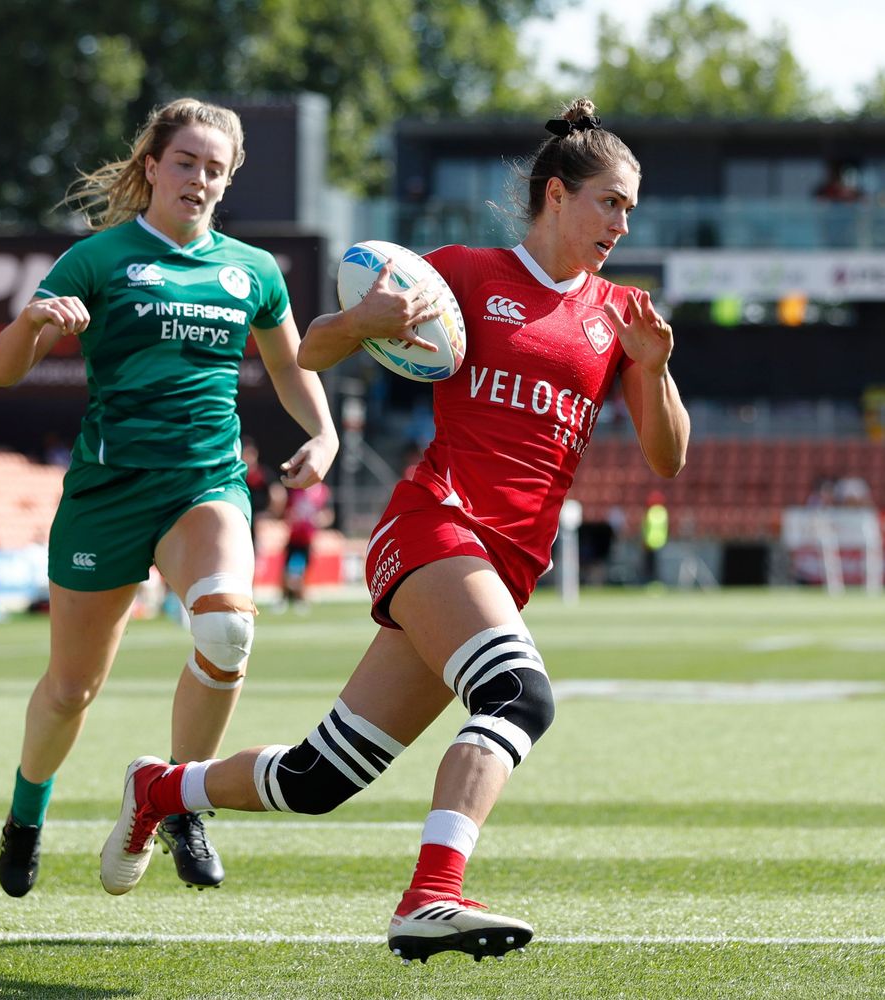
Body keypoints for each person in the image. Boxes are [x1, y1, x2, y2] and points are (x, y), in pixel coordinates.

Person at [100, 97, 688, 962]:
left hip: (506, 565)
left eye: (631, 208)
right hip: (434, 527)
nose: (623, 223)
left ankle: (160, 788)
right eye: (611, 202)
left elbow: (667, 458)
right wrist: (361, 323)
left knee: (318, 778)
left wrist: (656, 370)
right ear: (558, 195)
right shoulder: (463, 274)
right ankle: (431, 896)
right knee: (519, 697)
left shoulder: (622, 314)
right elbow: (312, 351)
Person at [0, 97, 338, 897]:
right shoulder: (98, 258)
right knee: (71, 689)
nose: (199, 179)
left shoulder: (253, 270)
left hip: (204, 484)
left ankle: (179, 802)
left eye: (215, 168)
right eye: (185, 162)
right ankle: (25, 815)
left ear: (228, 179)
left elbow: (288, 365)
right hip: (107, 493)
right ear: (152, 165)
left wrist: (323, 433)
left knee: (228, 631)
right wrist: (34, 322)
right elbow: (1, 370)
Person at [277, 479, 332, 612]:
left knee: (303, 571)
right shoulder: (296, 489)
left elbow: (328, 514)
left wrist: (319, 519)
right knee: (286, 569)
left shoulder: (322, 491)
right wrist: (290, 516)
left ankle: (299, 598)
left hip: (308, 538)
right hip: (294, 536)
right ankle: (284, 598)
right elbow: (286, 511)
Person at [640, 490, 668, 586]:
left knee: (650, 565)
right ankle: (656, 582)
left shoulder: (650, 512)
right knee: (658, 564)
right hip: (660, 541)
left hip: (650, 542)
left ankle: (650, 582)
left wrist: (644, 540)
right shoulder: (663, 512)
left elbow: (645, 528)